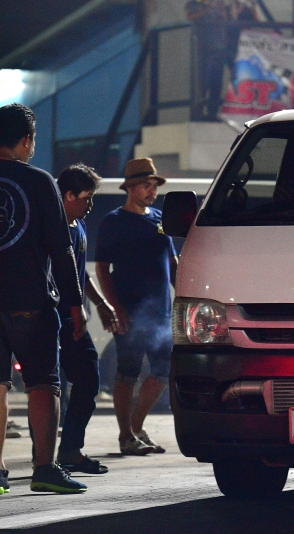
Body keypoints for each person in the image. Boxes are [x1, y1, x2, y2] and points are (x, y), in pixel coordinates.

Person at [0, 103, 88, 494]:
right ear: (26, 139)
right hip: (30, 301)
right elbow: (61, 248)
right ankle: (44, 469)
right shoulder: (38, 182)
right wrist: (75, 302)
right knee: (43, 384)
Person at [95, 158, 178, 456]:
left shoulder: (159, 219)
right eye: (146, 185)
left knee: (163, 370)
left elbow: (172, 262)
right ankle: (125, 435)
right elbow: (102, 269)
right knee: (127, 371)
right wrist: (115, 307)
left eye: (154, 186)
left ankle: (136, 426)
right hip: (130, 311)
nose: (152, 191)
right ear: (130, 188)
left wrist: (183, 293)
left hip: (161, 314)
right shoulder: (114, 221)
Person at [54, 164, 120, 474]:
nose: (90, 205)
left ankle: (69, 450)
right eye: (87, 197)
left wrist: (101, 304)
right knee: (49, 387)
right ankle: (48, 456)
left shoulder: (78, 226)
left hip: (74, 319)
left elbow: (80, 276)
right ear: (68, 195)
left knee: (88, 379)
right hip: (53, 320)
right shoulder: (52, 228)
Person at [185, 0, 229, 120]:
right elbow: (189, 17)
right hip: (204, 49)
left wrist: (221, 8)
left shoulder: (218, 3)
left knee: (216, 82)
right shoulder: (194, 3)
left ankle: (212, 113)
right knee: (203, 81)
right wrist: (207, 9)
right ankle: (198, 112)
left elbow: (224, 20)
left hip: (219, 48)